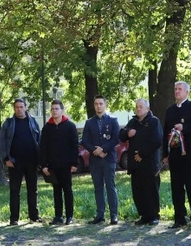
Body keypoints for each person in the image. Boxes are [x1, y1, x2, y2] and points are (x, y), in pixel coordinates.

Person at [162, 81, 191, 229]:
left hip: (189, 154)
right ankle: (179, 217)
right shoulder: (170, 110)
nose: (176, 91)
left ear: (187, 92)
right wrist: (165, 153)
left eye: (180, 89)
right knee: (176, 188)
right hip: (175, 155)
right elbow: (165, 133)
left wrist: (185, 128)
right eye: (175, 89)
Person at [121, 98, 163, 225]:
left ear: (147, 108)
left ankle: (154, 215)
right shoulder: (133, 122)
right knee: (138, 191)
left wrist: (142, 154)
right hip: (135, 164)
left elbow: (156, 141)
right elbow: (121, 136)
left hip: (149, 163)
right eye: (137, 106)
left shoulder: (154, 121)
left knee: (151, 190)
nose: (138, 109)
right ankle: (144, 215)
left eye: (141, 106)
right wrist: (128, 133)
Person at [81, 96, 121, 224]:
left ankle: (114, 215)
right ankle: (100, 214)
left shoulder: (113, 120)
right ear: (94, 105)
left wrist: (103, 149)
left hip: (108, 158)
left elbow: (116, 139)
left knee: (110, 186)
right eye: (96, 104)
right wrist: (96, 151)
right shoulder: (89, 122)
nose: (98, 106)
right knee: (98, 187)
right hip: (95, 160)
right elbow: (85, 141)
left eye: (101, 103)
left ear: (105, 105)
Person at [1, 99, 42, 225]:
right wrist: (6, 159)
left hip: (32, 161)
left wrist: (40, 159)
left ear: (25, 107)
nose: (19, 109)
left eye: (21, 107)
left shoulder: (33, 121)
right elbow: (2, 142)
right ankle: (14, 218)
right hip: (14, 162)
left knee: (33, 189)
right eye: (17, 107)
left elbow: (39, 139)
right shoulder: (8, 123)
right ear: (14, 109)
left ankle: (34, 216)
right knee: (14, 191)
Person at [40, 100, 80, 224]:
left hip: (66, 165)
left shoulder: (70, 126)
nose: (54, 111)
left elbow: (75, 146)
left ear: (62, 110)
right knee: (56, 191)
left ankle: (69, 216)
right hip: (52, 166)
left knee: (67, 190)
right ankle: (58, 216)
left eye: (56, 109)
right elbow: (43, 147)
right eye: (52, 109)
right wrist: (44, 165)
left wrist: (74, 163)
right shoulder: (47, 127)